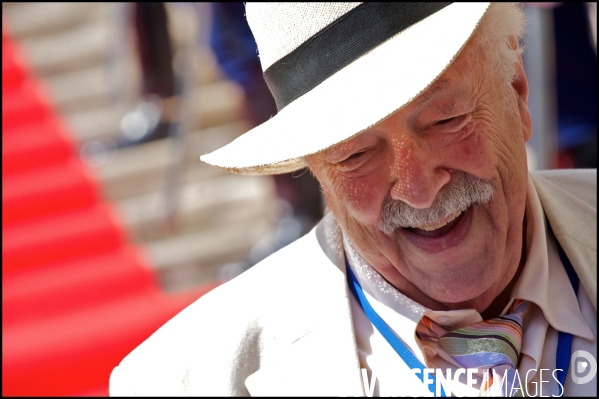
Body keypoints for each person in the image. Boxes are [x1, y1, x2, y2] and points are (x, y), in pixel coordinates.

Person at [109, 3, 596, 396]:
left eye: (446, 121)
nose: (418, 189)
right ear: (315, 170)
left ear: (516, 89)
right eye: (356, 155)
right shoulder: (185, 381)